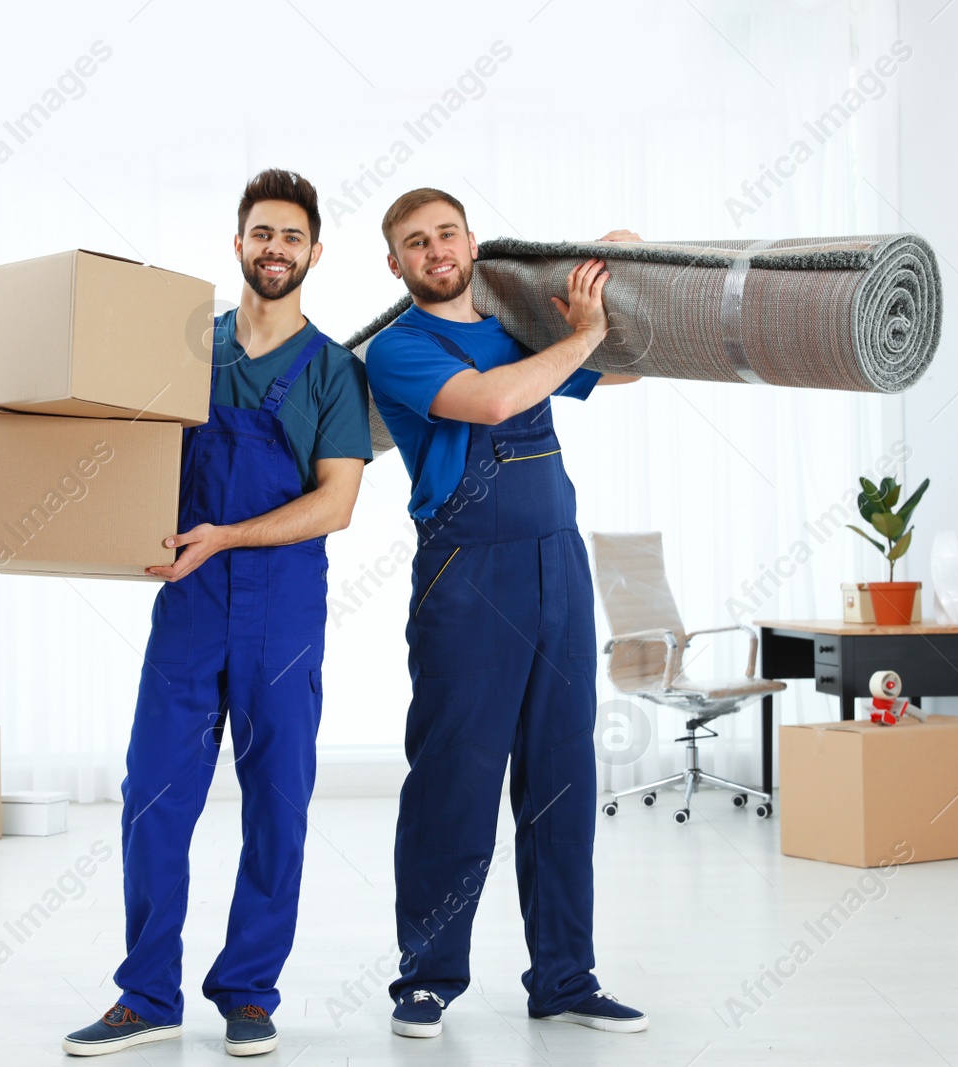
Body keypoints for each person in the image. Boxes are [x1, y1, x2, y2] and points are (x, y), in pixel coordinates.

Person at [0, 169, 373, 1058]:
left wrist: (227, 536)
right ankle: (147, 994)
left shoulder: (334, 370)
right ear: (237, 244)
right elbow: (107, 444)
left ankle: (249, 991)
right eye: (261, 233)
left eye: (292, 237)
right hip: (189, 604)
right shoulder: (184, 346)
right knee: (153, 798)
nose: (276, 249)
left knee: (278, 804)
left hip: (282, 611)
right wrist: (10, 496)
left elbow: (337, 502)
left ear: (314, 253)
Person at [363, 187, 647, 1039]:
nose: (435, 249)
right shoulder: (400, 349)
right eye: (416, 242)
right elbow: (489, 403)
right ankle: (428, 974)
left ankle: (565, 975)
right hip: (466, 571)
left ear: (472, 243)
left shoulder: (524, 330)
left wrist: (617, 272)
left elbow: (623, 367)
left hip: (556, 560)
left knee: (563, 773)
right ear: (397, 264)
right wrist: (579, 337)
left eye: (447, 233)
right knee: (456, 775)